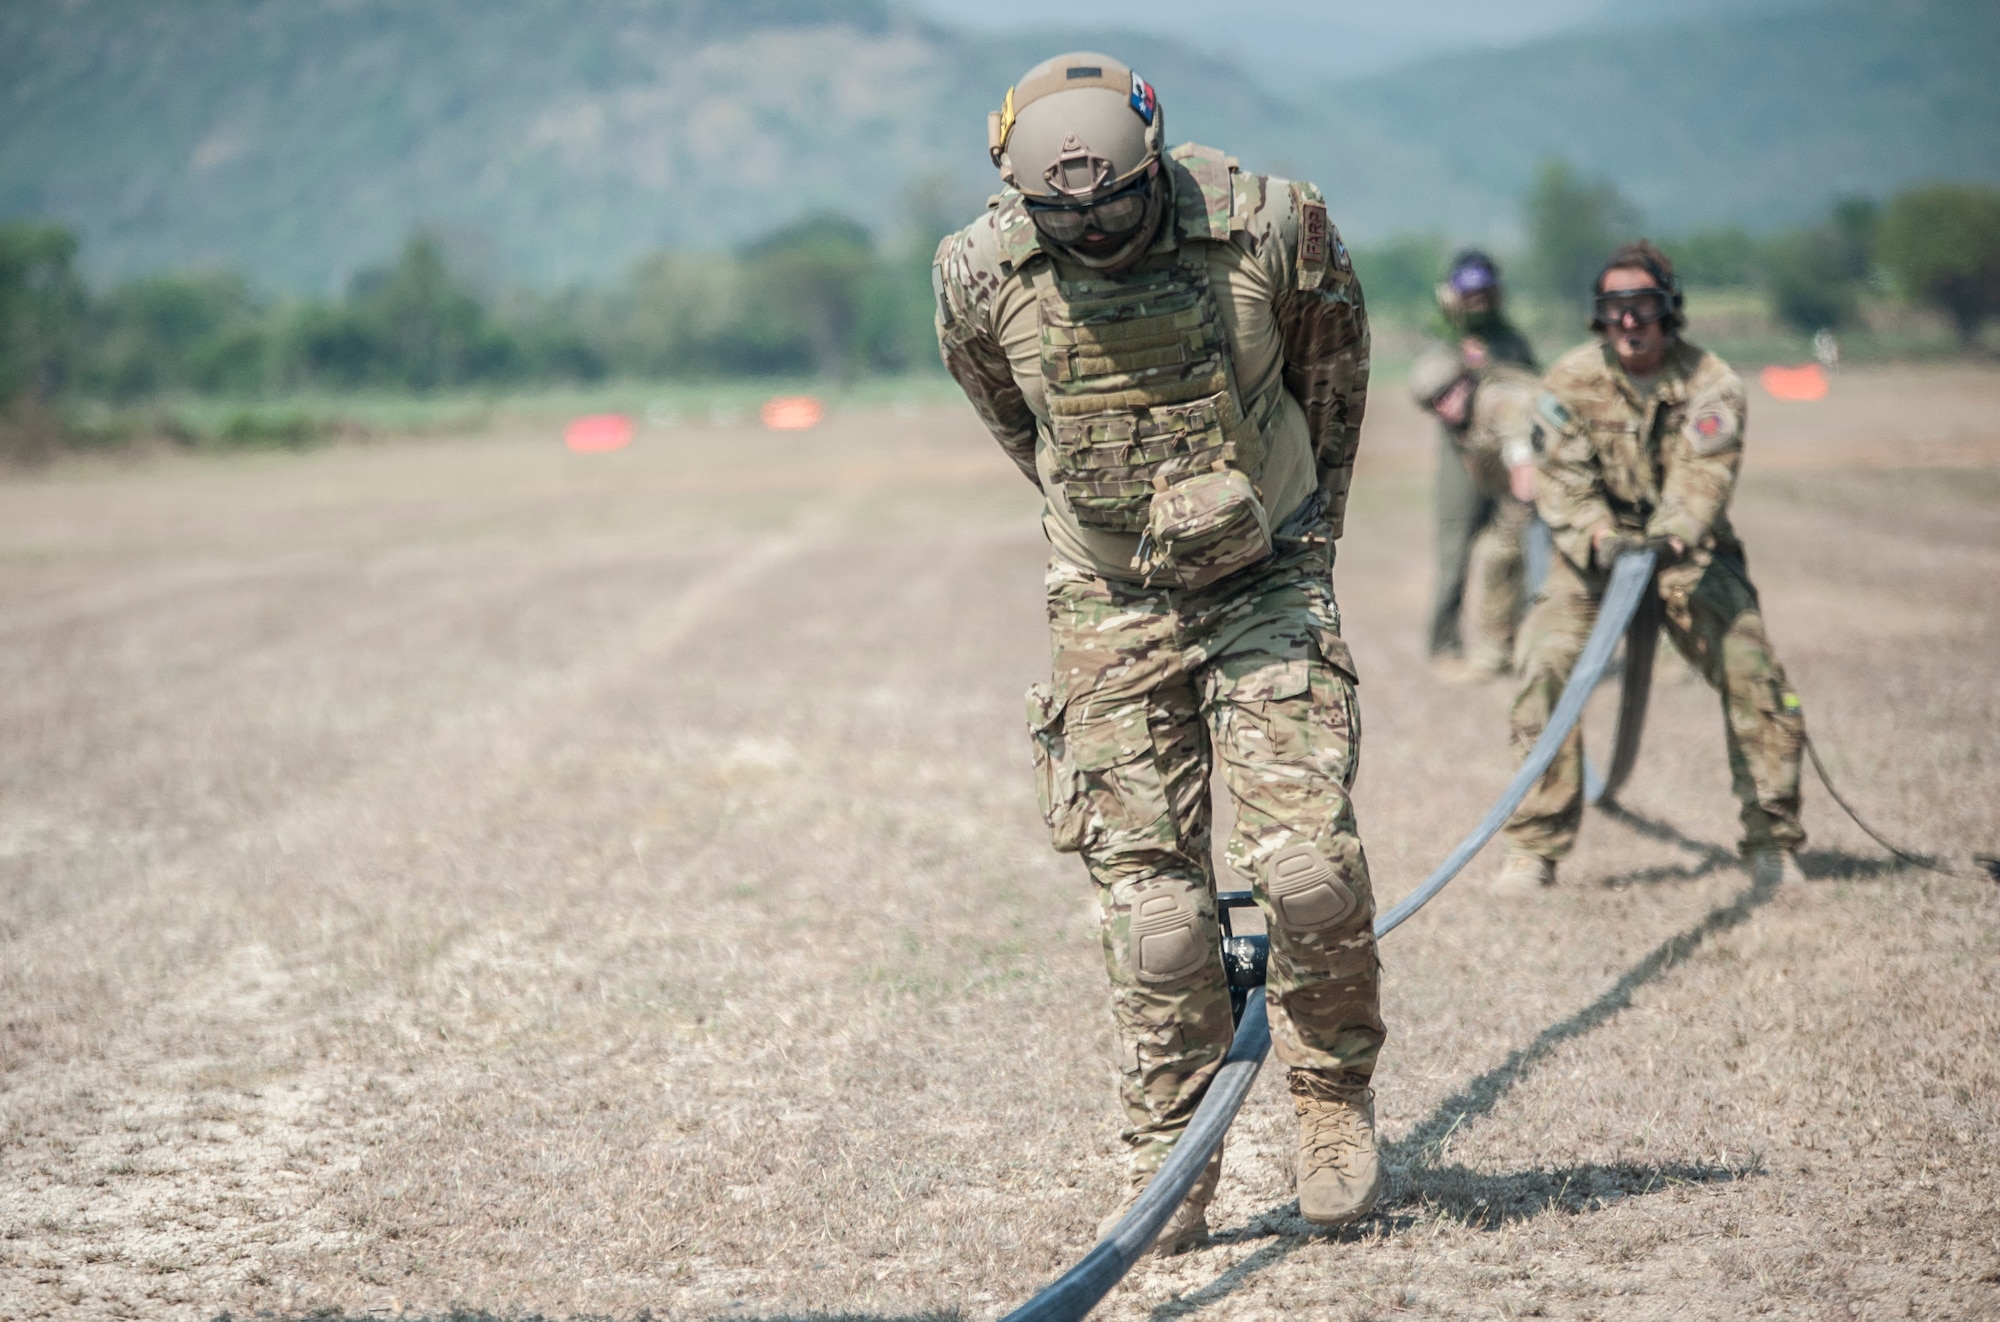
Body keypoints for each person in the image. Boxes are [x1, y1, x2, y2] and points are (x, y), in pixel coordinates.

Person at [933, 52, 1384, 1252]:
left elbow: (1330, 369)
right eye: (1062, 214)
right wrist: (1114, 532)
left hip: (1268, 566)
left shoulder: (1270, 226)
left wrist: (1303, 530)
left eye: (1116, 203)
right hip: (1109, 595)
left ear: (1154, 160)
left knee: (1304, 868)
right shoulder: (980, 275)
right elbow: (1006, 411)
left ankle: (1331, 1095)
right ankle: (1170, 1145)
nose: (1093, 228)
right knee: (1155, 911)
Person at [1494, 241, 1808, 894]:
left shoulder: (1712, 382)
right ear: (1599, 317)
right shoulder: (1569, 382)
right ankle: (1534, 849)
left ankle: (1772, 842)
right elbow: (1563, 489)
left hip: (1686, 559)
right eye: (1615, 308)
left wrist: (1664, 543)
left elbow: (1702, 484)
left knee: (1754, 671)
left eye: (1643, 306)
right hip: (1590, 563)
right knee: (1543, 665)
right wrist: (1605, 539)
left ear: (1670, 310)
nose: (1630, 322)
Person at [1426, 251, 1537, 676]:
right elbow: (1426, 385)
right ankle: (1444, 644)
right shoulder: (1444, 339)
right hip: (1461, 462)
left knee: (1513, 553)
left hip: (1509, 466)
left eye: (1485, 293)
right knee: (1454, 557)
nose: (1479, 303)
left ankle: (1509, 642)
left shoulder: (1512, 341)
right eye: (1470, 295)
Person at [1408, 348, 1542, 676]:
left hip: (1551, 494)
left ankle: (1518, 654)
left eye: (1446, 394)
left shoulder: (1500, 402)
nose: (1443, 407)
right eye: (1433, 403)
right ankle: (1499, 653)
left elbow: (1523, 461)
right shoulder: (1465, 420)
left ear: (1465, 382)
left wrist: (1524, 521)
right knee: (1497, 557)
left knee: (1514, 560)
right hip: (1522, 498)